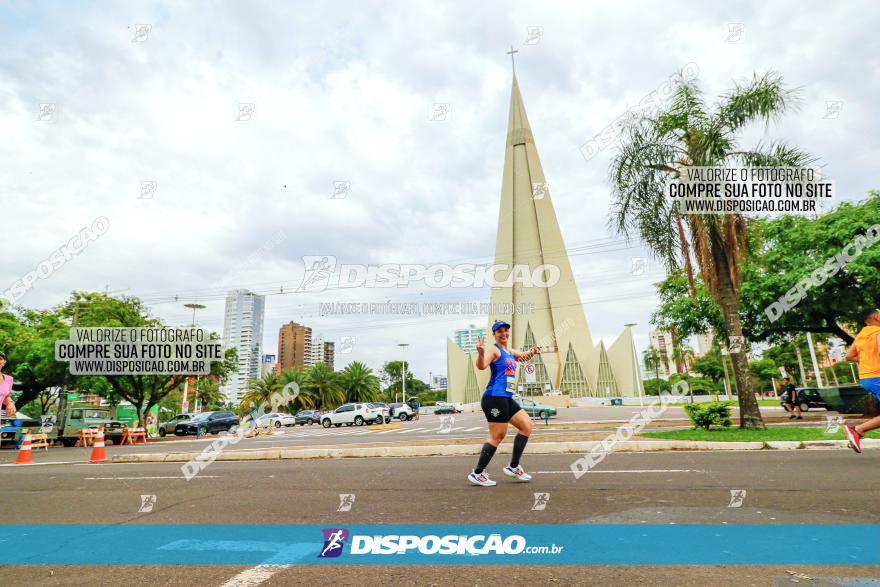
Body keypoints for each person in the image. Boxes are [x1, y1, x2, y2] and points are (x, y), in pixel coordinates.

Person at [468, 320, 541, 487]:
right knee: (497, 436)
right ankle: (477, 473)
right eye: (499, 331)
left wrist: (533, 351)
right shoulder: (493, 349)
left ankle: (513, 467)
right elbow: (481, 366)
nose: (503, 333)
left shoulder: (508, 351)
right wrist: (480, 353)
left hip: (506, 398)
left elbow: (522, 357)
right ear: (494, 334)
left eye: (506, 330)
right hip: (494, 398)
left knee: (526, 426)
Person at [844, 307, 880, 453]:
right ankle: (857, 430)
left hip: (867, 377)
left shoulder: (861, 334)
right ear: (877, 317)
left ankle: (857, 430)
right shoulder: (878, 332)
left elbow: (849, 356)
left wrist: (867, 361)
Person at [0, 352, 16, 418]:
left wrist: (10, 403)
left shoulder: (9, 379)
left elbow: (5, 396)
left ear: (4, 362)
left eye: (0, 359)